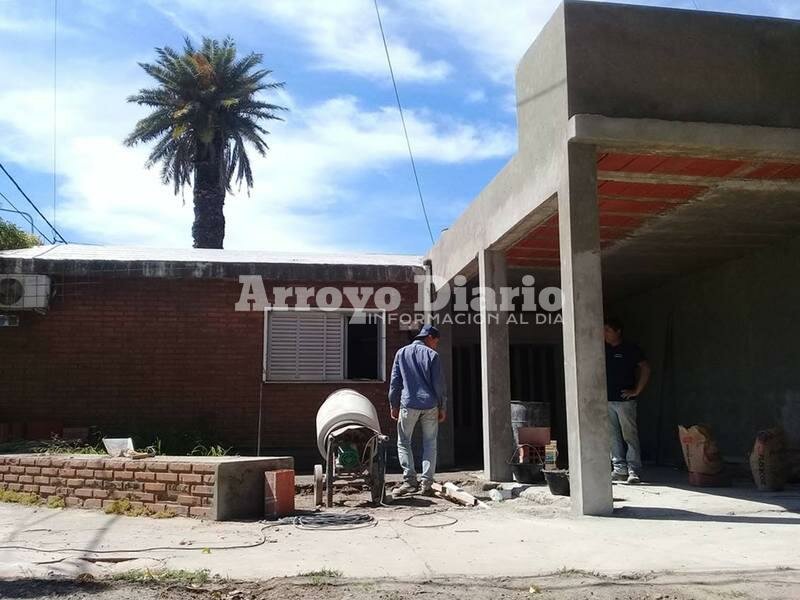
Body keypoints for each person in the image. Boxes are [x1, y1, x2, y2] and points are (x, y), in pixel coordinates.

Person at [388, 324, 447, 497]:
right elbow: (439, 385)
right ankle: (426, 484)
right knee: (430, 442)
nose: (436, 344)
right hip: (430, 405)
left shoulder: (401, 353)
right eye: (436, 341)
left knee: (404, 442)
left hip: (408, 404)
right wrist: (442, 407)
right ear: (429, 337)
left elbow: (395, 383)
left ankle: (409, 482)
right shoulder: (432, 355)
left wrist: (394, 405)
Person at [604, 317, 651, 485]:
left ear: (618, 331)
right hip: (606, 400)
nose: (605, 334)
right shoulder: (603, 349)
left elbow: (645, 368)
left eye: (608, 330)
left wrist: (637, 390)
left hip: (625, 400)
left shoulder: (630, 349)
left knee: (629, 434)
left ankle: (634, 469)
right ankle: (619, 469)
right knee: (612, 436)